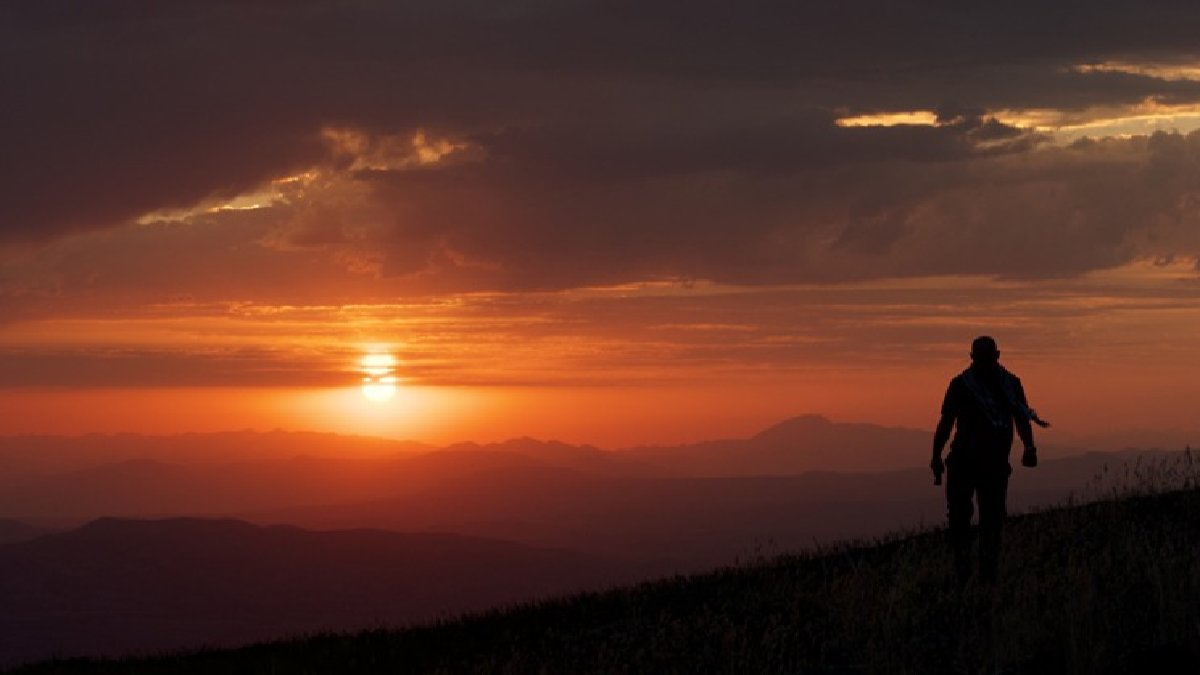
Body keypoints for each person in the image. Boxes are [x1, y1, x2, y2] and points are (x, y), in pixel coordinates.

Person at [930, 336, 1048, 586]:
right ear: (997, 355)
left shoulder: (964, 384)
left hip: (979, 463)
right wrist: (1029, 447)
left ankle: (975, 577)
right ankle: (977, 576)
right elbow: (1021, 419)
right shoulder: (1003, 384)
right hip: (975, 463)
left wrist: (936, 456)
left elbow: (946, 423)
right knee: (980, 522)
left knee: (975, 522)